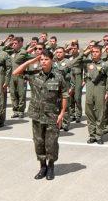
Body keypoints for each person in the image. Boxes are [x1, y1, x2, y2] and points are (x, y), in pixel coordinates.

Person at [12, 49, 68, 180]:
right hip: (36, 114)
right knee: (38, 142)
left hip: (52, 115)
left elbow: (64, 95)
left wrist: (61, 114)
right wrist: (32, 61)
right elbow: (16, 72)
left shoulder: (58, 76)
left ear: (52, 61)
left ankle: (51, 166)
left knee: (52, 143)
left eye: (46, 59)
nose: (43, 62)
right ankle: (43, 167)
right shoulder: (34, 74)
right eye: (41, 59)